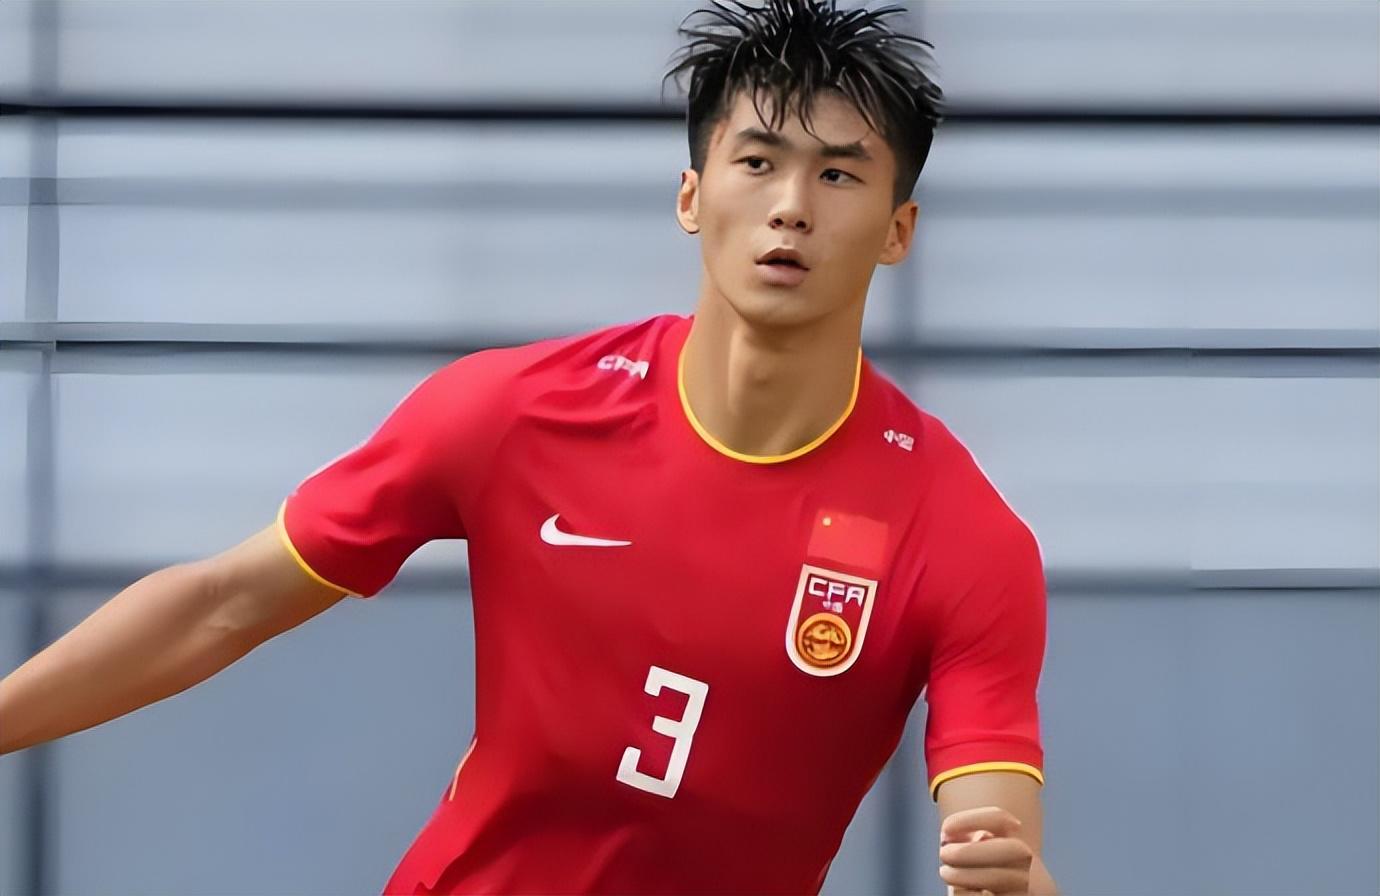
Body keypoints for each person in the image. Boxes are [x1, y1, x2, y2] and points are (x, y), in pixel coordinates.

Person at [0, 1, 1060, 893]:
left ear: (897, 230)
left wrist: (1012, 879)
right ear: (692, 197)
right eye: (757, 161)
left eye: (838, 176)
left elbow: (998, 842)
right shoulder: (510, 411)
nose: (790, 207)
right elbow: (222, 603)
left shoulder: (962, 538)